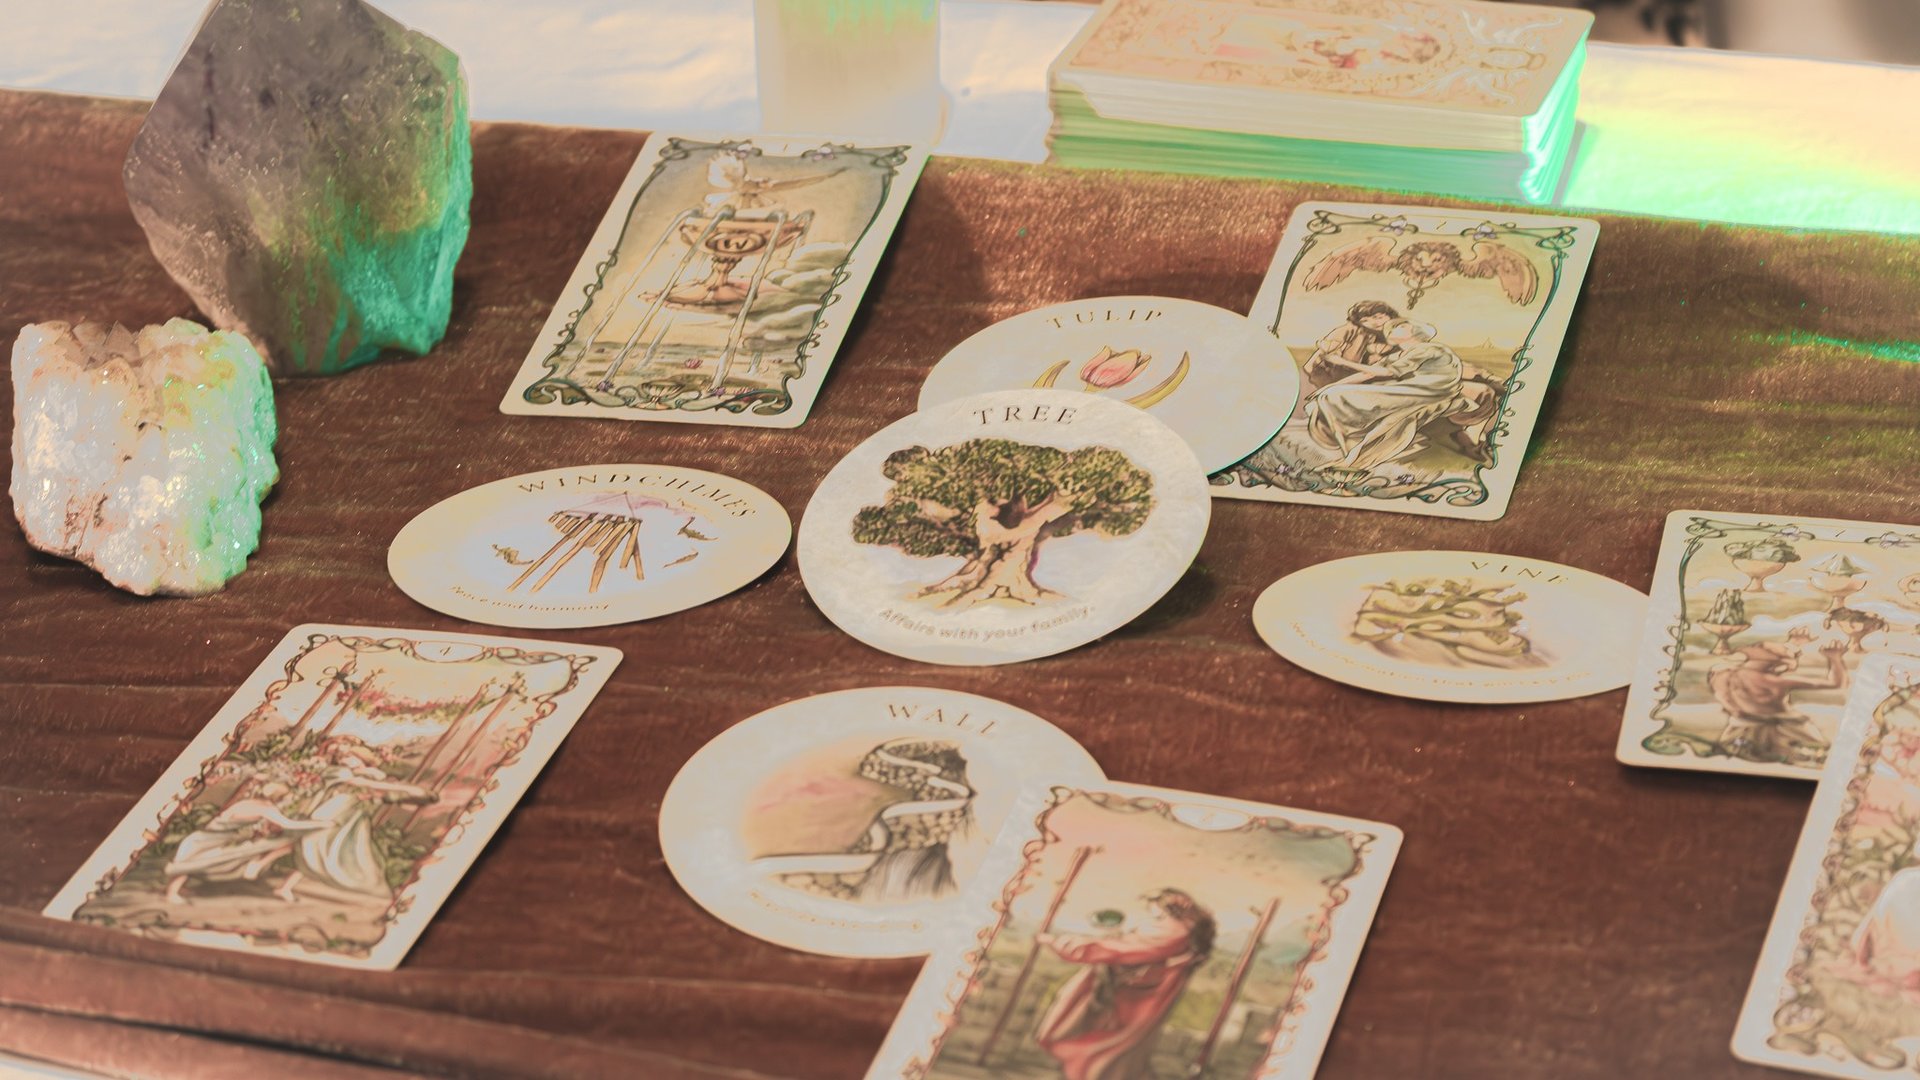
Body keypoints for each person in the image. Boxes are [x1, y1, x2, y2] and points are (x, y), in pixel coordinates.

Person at [1032, 889, 1216, 1080]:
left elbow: (1124, 950)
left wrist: (1059, 943)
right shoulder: (1180, 931)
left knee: (1105, 1051)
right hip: (1135, 996)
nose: (1154, 919)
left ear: (1171, 911)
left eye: (1159, 915)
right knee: (1120, 1054)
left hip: (1139, 1000)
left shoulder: (1174, 932)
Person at [279, 737, 435, 902]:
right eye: (341, 756)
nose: (345, 760)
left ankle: (285, 887)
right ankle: (286, 886)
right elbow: (365, 785)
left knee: (335, 850)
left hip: (351, 817)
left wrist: (398, 790)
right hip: (332, 812)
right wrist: (402, 788)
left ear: (360, 758)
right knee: (314, 847)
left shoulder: (369, 773)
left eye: (348, 756)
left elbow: (376, 792)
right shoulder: (342, 772)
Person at [1303, 319, 1464, 472]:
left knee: (1335, 397)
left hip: (1431, 390)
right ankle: (1351, 451)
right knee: (1330, 395)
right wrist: (1331, 386)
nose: (1393, 329)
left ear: (1416, 331)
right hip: (1415, 388)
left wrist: (1342, 362)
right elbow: (1368, 374)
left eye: (1401, 326)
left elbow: (1387, 372)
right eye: (1392, 328)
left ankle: (1355, 453)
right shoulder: (1398, 355)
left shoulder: (1429, 348)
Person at [162, 780, 325, 904]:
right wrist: (321, 824)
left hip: (208, 837)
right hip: (209, 839)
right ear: (278, 797)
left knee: (191, 862)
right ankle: (171, 894)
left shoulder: (249, 802)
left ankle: (176, 890)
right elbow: (289, 824)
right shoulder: (266, 808)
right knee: (192, 863)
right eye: (284, 797)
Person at [1709, 629, 1849, 764]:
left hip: (1737, 733)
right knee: (1822, 754)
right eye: (1783, 665)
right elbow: (1836, 684)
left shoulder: (1720, 675)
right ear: (1775, 664)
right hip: (1783, 734)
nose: (1783, 669)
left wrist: (1794, 643)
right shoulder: (1774, 682)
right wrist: (1835, 658)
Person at [1302, 300, 1399, 388]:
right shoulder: (1349, 330)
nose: (1374, 322)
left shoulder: (1400, 333)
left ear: (1390, 316)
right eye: (1365, 320)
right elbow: (1310, 365)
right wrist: (1327, 386)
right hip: (1340, 383)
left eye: (1378, 317)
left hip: (1374, 383)